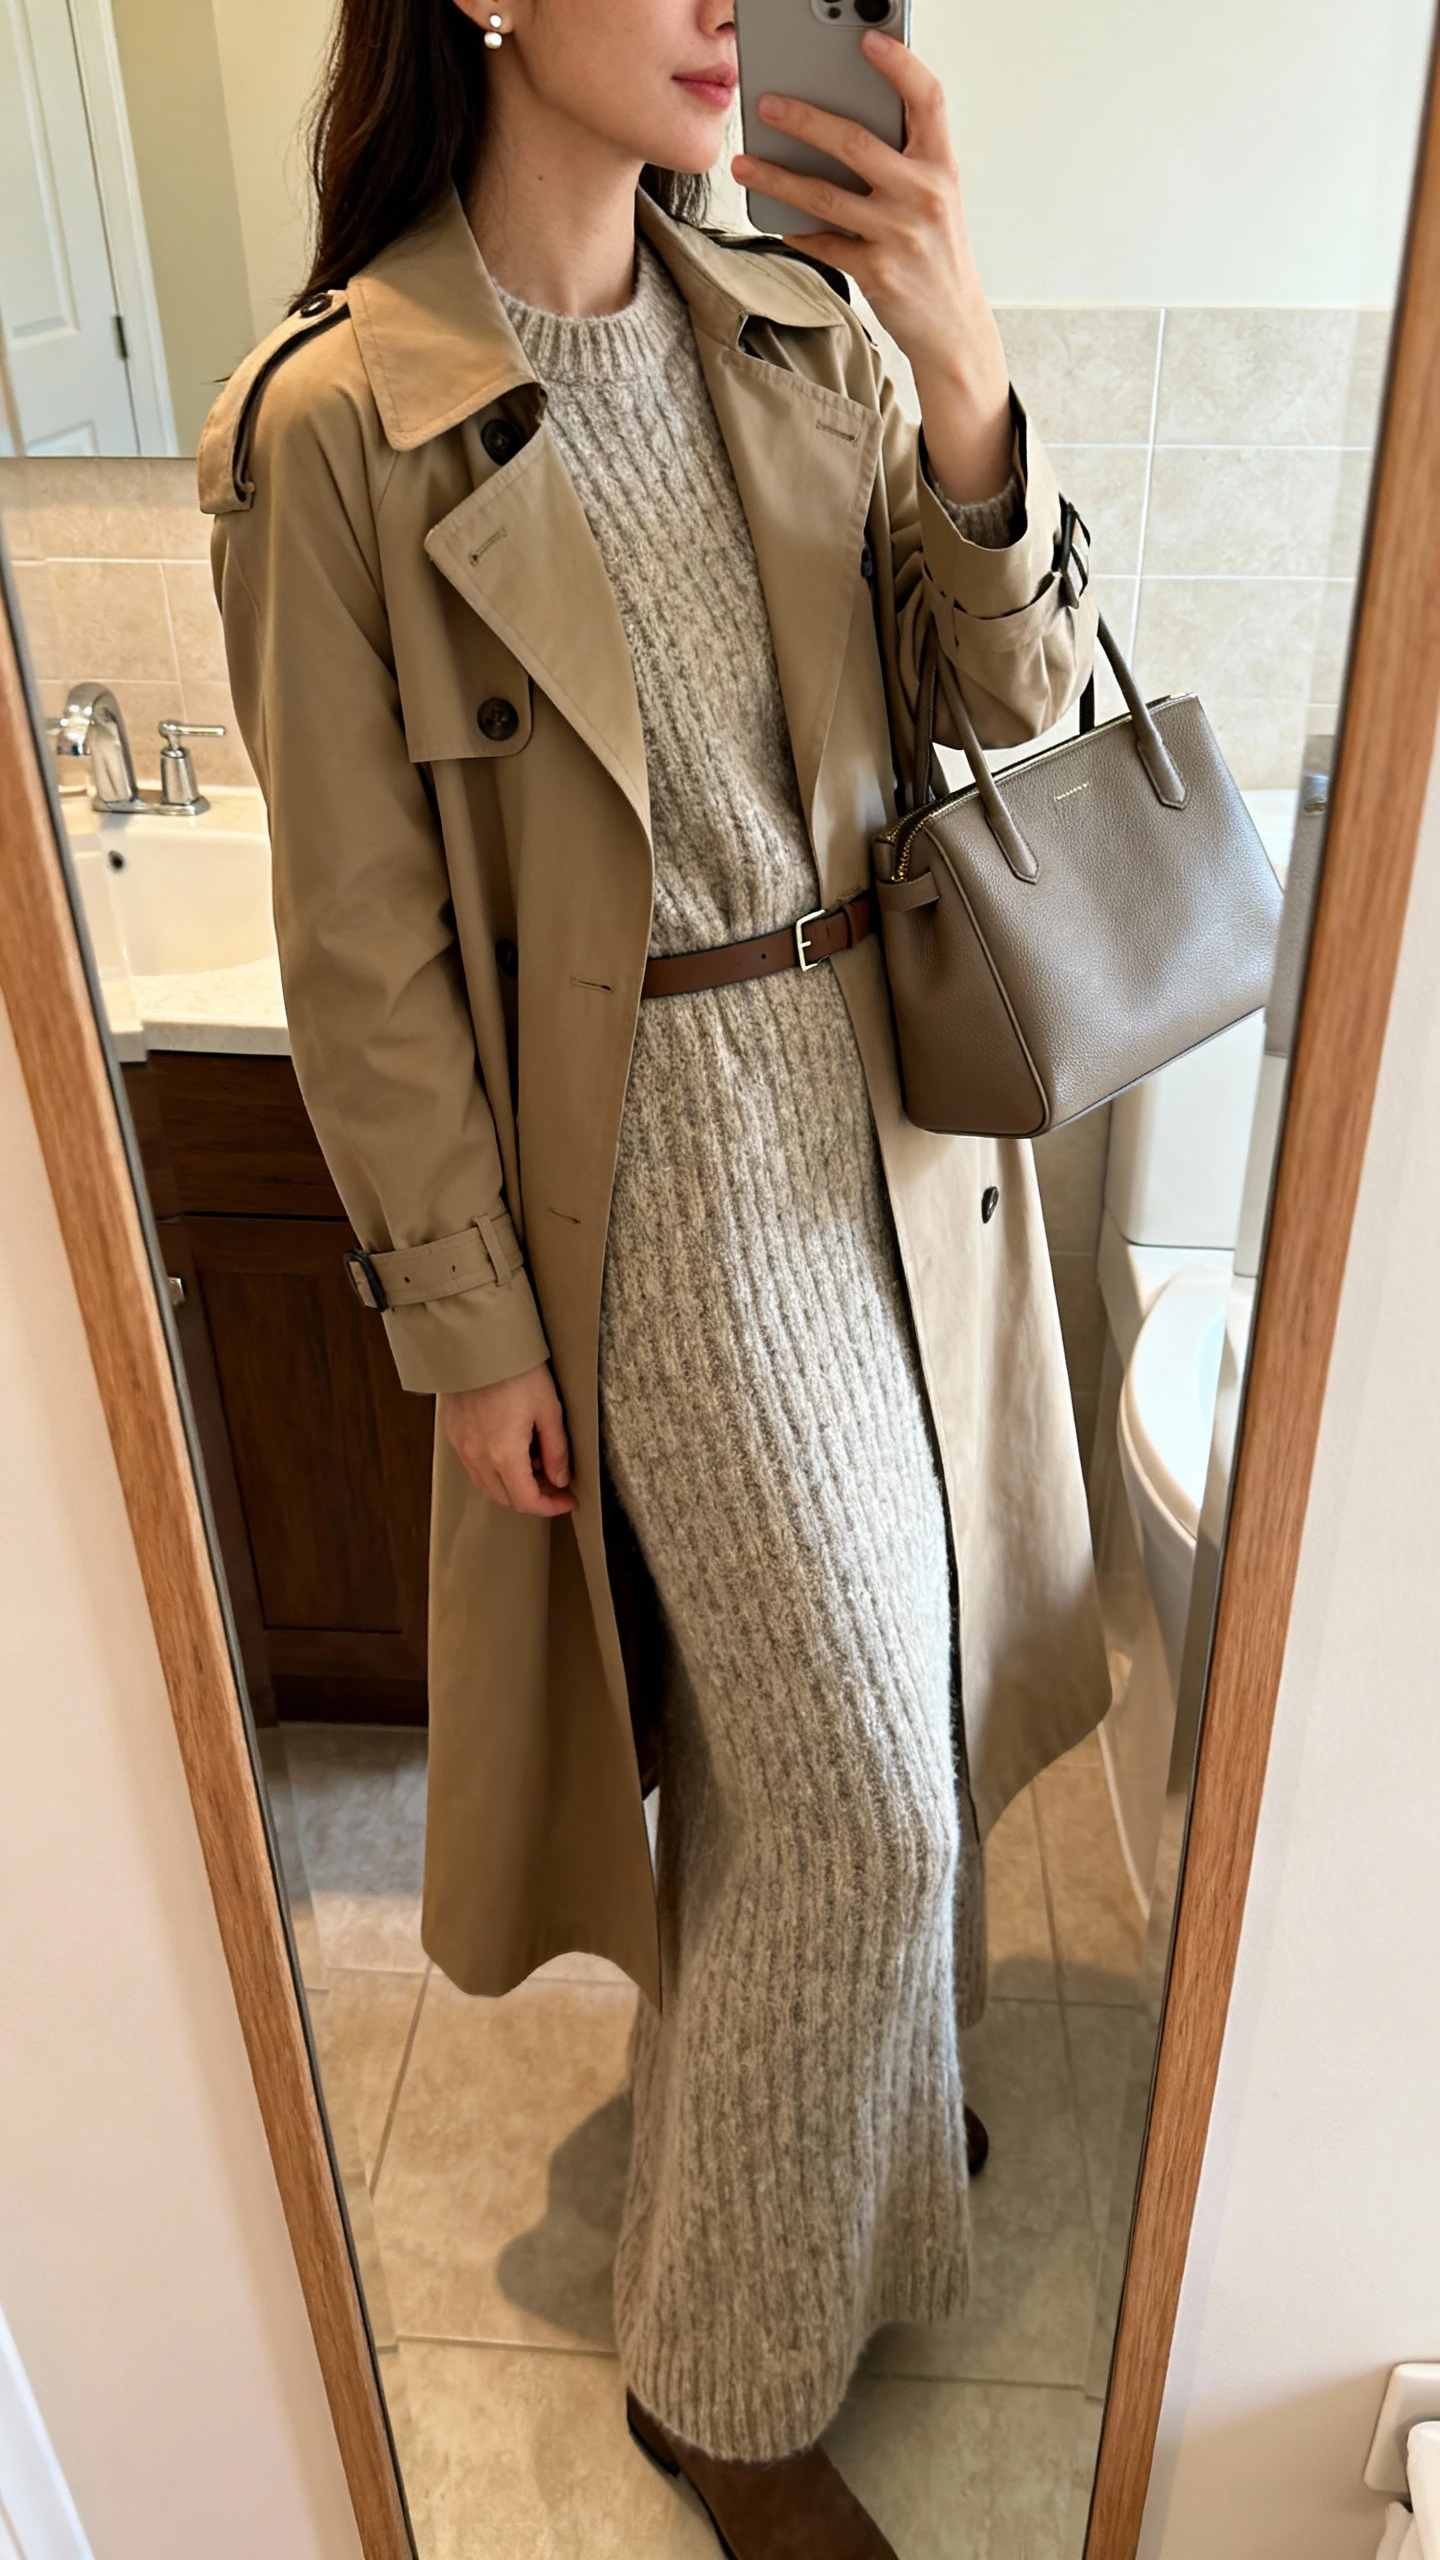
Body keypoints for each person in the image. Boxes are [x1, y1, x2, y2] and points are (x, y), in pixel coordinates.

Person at [199, 1, 1109, 2549]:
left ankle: (865, 2173)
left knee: (887, 1726)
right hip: (669, 1175)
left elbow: (993, 688)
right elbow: (359, 956)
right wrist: (465, 1322)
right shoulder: (339, 427)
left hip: (892, 1122)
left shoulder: (796, 330)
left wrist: (961, 360)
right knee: (848, 1791)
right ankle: (716, 2374)